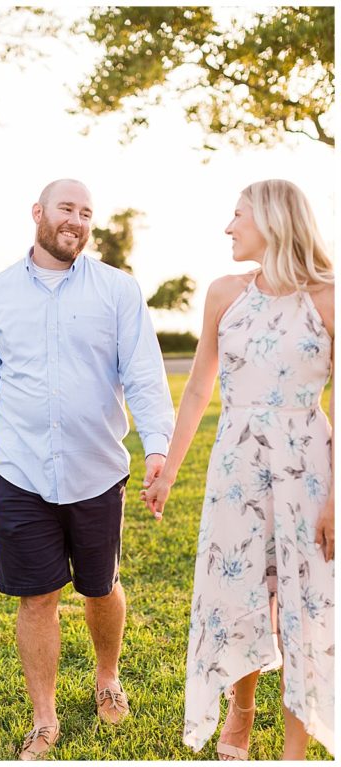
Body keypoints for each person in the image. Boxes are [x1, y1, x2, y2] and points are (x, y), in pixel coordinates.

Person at [0, 179, 174, 760]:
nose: (76, 220)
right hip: (20, 473)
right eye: (66, 209)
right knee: (37, 597)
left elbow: (146, 376)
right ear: (38, 214)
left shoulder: (118, 290)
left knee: (101, 587)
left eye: (86, 212)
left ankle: (107, 679)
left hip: (98, 471)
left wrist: (157, 447)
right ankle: (45, 718)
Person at [143, 180, 334, 760]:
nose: (229, 227)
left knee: (305, 600)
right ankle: (240, 713)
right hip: (237, 464)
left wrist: (337, 499)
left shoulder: (329, 298)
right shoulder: (224, 293)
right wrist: (170, 470)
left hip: (309, 466)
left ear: (273, 221)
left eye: (238, 215)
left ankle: (295, 748)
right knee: (238, 591)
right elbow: (201, 384)